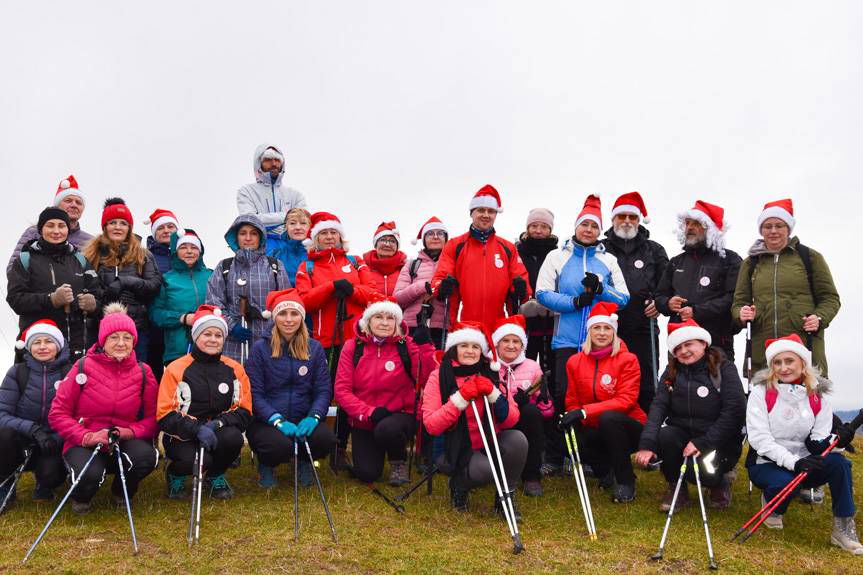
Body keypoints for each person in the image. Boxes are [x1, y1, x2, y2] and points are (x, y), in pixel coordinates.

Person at [535, 194, 629, 474]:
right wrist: (574, 302)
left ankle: (590, 457)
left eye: (594, 226)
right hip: (565, 339)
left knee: (595, 397)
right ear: (576, 226)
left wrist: (601, 290)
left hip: (599, 342)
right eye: (584, 225)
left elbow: (623, 297)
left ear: (600, 231)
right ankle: (555, 456)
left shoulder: (608, 259)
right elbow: (542, 293)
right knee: (562, 396)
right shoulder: (557, 256)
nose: (588, 230)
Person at [744, 334, 861, 554]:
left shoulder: (818, 396)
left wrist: (838, 440)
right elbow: (760, 439)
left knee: (840, 464)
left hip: (805, 463)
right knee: (786, 483)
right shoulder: (761, 392)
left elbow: (818, 441)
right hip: (766, 462)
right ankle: (772, 507)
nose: (783, 368)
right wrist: (795, 463)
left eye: (789, 361)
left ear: (803, 363)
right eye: (777, 362)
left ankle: (843, 528)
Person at [47, 304, 159, 513]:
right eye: (113, 337)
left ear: (134, 341)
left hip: (121, 438)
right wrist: (87, 436)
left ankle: (122, 490)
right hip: (85, 438)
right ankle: (82, 496)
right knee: (88, 475)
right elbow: (57, 413)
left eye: (127, 337)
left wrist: (128, 432)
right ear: (102, 340)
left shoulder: (144, 372)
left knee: (146, 457)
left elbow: (154, 419)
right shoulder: (82, 366)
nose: (120, 343)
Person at [295, 212, 378, 469]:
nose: (329, 237)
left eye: (333, 233)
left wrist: (351, 290)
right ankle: (320, 445)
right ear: (315, 238)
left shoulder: (356, 261)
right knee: (323, 393)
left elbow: (373, 293)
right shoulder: (307, 266)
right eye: (323, 234)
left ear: (341, 236)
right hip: (324, 341)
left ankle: (341, 447)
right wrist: (330, 287)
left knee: (351, 394)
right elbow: (304, 301)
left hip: (356, 340)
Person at [635, 319, 746, 511]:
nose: (683, 351)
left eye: (688, 344)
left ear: (703, 343)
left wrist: (703, 442)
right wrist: (647, 444)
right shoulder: (671, 372)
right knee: (665, 436)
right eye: (677, 348)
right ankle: (677, 488)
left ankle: (718, 483)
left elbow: (734, 411)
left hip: (717, 440)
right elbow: (658, 407)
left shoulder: (724, 369)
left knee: (705, 474)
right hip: (683, 436)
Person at [422, 321, 526, 516]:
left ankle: (505, 498)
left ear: (482, 351)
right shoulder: (439, 376)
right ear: (454, 349)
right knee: (483, 471)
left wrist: (494, 393)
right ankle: (459, 487)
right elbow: (432, 425)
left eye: (475, 346)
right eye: (464, 346)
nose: (470, 351)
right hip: (452, 448)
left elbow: (512, 419)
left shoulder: (491, 373)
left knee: (517, 440)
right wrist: (460, 398)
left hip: (486, 441)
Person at [732, 199, 840, 376]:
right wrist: (740, 314)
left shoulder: (810, 257)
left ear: (788, 229)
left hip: (805, 348)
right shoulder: (750, 263)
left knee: (807, 402)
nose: (773, 231)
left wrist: (819, 318)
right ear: (761, 230)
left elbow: (830, 298)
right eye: (767, 226)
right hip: (762, 353)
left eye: (779, 225)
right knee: (765, 403)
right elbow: (738, 303)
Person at [334, 295, 434, 485]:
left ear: (397, 322)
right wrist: (368, 412)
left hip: (399, 415)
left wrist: (425, 347)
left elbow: (427, 378)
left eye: (390, 318)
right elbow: (342, 390)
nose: (385, 323)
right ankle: (375, 455)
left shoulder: (407, 346)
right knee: (367, 474)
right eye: (379, 317)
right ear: (368, 321)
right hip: (365, 418)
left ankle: (398, 462)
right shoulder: (353, 347)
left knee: (387, 429)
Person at [157, 305, 253, 499]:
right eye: (206, 334)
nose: (212, 339)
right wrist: (197, 429)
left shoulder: (235, 368)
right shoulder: (176, 368)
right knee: (199, 460)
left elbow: (244, 411)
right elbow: (164, 414)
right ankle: (175, 474)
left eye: (218, 335)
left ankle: (215, 476)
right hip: (182, 435)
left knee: (233, 438)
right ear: (195, 336)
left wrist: (217, 424)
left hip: (216, 430)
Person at [245, 289, 336, 488]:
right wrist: (277, 420)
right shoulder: (260, 349)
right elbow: (255, 394)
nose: (288, 319)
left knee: (325, 438)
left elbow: (323, 390)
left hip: (303, 416)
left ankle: (304, 461)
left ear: (302, 318)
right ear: (274, 317)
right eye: (283, 314)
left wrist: (314, 416)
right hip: (267, 421)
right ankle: (267, 464)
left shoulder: (315, 348)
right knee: (278, 446)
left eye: (294, 314)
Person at [560, 303, 645, 503]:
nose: (602, 333)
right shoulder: (575, 361)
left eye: (607, 328)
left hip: (629, 426)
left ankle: (625, 481)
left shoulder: (628, 360)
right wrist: (573, 415)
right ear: (589, 331)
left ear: (614, 332)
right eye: (596, 328)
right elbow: (572, 400)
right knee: (571, 431)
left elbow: (626, 400)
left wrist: (584, 412)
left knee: (609, 419)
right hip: (595, 424)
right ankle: (607, 470)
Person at [600, 192, 669, 413]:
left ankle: (646, 435)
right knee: (608, 380)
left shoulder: (654, 250)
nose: (627, 221)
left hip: (643, 325)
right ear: (613, 220)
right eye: (622, 216)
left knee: (646, 380)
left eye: (632, 217)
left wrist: (659, 303)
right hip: (608, 326)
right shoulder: (601, 248)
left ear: (639, 221)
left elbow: (667, 285)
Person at [431, 185, 531, 331]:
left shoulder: (508, 248)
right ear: (472, 213)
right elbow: (441, 276)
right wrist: (441, 287)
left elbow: (521, 279)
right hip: (466, 325)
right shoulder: (455, 245)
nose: (486, 215)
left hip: (499, 326)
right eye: (481, 210)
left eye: (491, 211)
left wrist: (520, 291)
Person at [7, 207, 101, 360]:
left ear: (68, 229)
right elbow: (15, 299)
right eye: (50, 225)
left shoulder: (81, 260)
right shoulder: (25, 259)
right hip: (36, 346)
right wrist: (51, 299)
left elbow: (99, 295)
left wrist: (94, 304)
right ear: (40, 229)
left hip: (75, 348)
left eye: (61, 226)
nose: (56, 231)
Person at [655, 200, 741, 360]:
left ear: (711, 229)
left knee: (719, 385)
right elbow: (659, 296)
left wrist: (697, 312)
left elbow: (734, 298)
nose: (690, 227)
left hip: (717, 344)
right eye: (687, 223)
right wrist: (668, 303)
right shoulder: (675, 262)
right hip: (680, 342)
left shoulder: (730, 259)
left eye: (697, 223)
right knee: (678, 385)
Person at [82, 198, 162, 363]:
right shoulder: (90, 254)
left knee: (135, 377)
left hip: (135, 328)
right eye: (112, 222)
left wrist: (126, 282)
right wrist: (109, 294)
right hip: (99, 328)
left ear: (129, 227)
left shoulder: (143, 254)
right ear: (105, 226)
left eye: (123, 223)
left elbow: (154, 285)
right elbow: (86, 287)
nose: (118, 227)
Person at [0, 321, 71, 504]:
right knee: (3, 435)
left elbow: (79, 416)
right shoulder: (17, 373)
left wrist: (56, 437)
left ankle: (45, 484)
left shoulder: (70, 372)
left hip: (53, 440)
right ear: (29, 347)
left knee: (51, 474)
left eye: (48, 341)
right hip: (23, 437)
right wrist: (32, 429)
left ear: (58, 344)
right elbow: (2, 414)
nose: (42, 347)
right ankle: (6, 486)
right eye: (36, 342)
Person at [205, 214, 290, 364]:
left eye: (254, 233)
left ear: (261, 237)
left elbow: (285, 302)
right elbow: (214, 302)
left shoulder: (275, 266)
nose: (248, 238)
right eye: (243, 233)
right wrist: (232, 327)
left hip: (270, 341)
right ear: (236, 237)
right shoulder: (224, 266)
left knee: (265, 383)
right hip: (233, 343)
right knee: (236, 383)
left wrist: (270, 330)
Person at [491, 315, 553, 497]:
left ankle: (531, 476)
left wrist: (539, 399)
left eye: (516, 341)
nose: (511, 346)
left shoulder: (533, 367)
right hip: (496, 419)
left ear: (523, 345)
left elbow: (547, 409)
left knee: (532, 413)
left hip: (524, 421)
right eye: (506, 341)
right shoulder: (488, 365)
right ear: (497, 344)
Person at [149, 230, 212, 365]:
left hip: (211, 348)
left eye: (194, 247)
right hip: (178, 350)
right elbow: (156, 314)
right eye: (183, 247)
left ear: (200, 252)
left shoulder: (212, 276)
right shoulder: (166, 280)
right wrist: (183, 318)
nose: (189, 251)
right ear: (175, 252)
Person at [8, 175, 93, 273]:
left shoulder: (90, 241)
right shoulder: (33, 232)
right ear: (57, 205)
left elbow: (94, 277)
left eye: (78, 202)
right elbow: (13, 268)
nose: (74, 205)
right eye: (68, 201)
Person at [394, 216, 448, 346]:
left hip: (443, 328)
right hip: (413, 327)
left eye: (440, 233)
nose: (435, 237)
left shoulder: (454, 264)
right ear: (424, 239)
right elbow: (398, 298)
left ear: (446, 239)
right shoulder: (411, 265)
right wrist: (423, 286)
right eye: (430, 234)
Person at [516, 208, 558, 372]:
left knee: (550, 367)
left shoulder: (558, 253)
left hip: (550, 318)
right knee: (524, 365)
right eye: (534, 226)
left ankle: (551, 397)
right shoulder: (517, 251)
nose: (538, 230)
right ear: (528, 228)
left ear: (550, 230)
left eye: (544, 227)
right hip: (524, 318)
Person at [236, 144, 307, 237]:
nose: (273, 164)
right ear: (259, 163)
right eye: (268, 160)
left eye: (277, 160)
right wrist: (288, 217)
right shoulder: (246, 191)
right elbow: (250, 220)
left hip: (290, 247)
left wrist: (262, 218)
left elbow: (303, 221)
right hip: (260, 246)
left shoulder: (296, 195)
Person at [143, 208, 182, 381]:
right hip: (154, 326)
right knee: (154, 375)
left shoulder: (187, 253)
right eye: (161, 228)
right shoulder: (145, 257)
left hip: (181, 326)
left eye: (170, 226)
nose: (166, 230)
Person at [269, 208, 311, 286]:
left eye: (303, 223)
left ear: (310, 227)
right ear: (286, 227)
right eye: (292, 223)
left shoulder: (318, 254)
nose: (298, 227)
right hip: (283, 297)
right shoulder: (275, 254)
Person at [363, 221, 407, 296]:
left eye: (392, 241)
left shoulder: (407, 268)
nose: (387, 244)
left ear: (397, 247)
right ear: (375, 244)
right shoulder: (362, 267)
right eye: (383, 240)